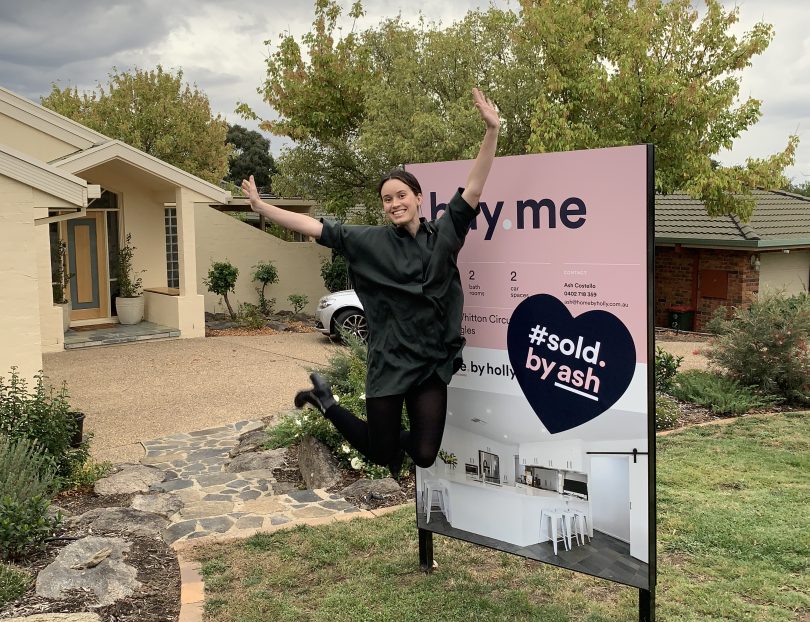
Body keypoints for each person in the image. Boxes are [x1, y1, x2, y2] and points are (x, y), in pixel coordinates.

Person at [241, 87, 500, 477]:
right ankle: (326, 403)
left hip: (430, 363)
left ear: (418, 197)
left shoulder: (446, 233)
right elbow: (313, 226)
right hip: (390, 360)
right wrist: (263, 208)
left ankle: (338, 410)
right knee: (381, 453)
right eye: (386, 199)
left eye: (401, 195)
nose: (394, 203)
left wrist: (492, 130)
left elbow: (475, 186)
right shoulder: (369, 241)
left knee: (426, 454)